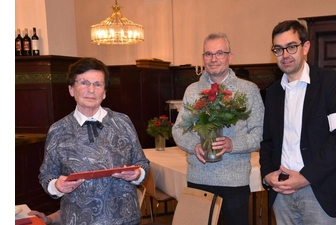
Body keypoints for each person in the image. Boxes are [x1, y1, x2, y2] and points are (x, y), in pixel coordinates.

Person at [259, 20, 336, 224]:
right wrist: (267, 175)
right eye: (278, 49)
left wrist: (305, 177)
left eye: (291, 47)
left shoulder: (329, 82)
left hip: (320, 190)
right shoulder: (273, 93)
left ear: (305, 47)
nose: (285, 55)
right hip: (282, 193)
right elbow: (267, 141)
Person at [38, 57, 150, 225]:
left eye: (98, 84)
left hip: (125, 219)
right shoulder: (58, 130)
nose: (91, 90)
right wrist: (56, 186)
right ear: (71, 89)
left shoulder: (122, 122)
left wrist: (138, 174)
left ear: (104, 92)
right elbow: (46, 175)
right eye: (84, 83)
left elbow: (142, 162)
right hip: (78, 220)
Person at [172, 32, 264, 225]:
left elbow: (260, 133)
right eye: (208, 54)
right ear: (203, 58)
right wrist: (194, 145)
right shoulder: (192, 90)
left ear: (230, 57)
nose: (213, 59)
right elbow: (179, 129)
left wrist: (233, 144)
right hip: (199, 177)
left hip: (234, 181)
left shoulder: (248, 90)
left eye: (219, 53)